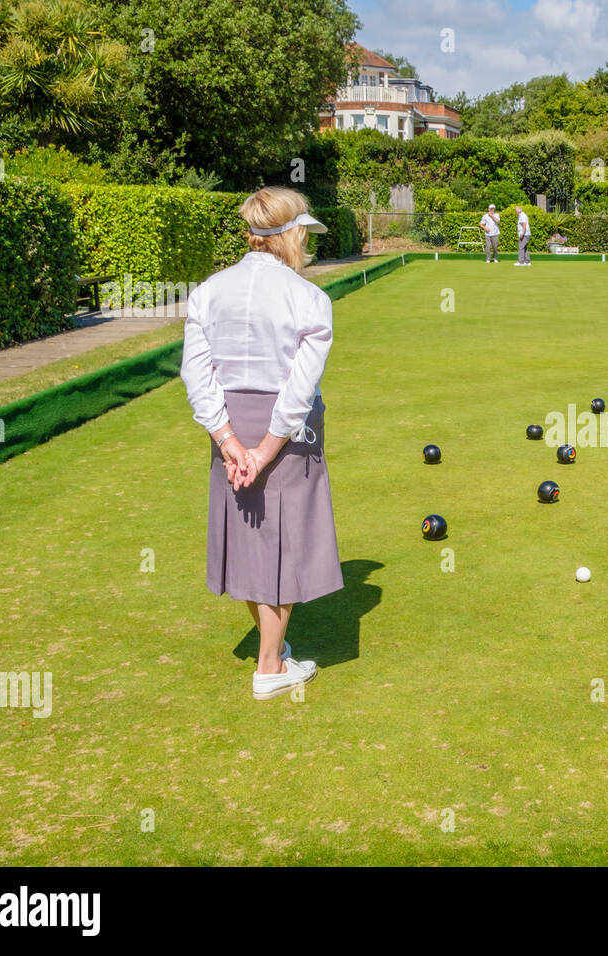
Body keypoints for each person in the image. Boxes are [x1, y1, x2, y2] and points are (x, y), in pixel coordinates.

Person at [180, 186, 344, 701]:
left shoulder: (209, 289)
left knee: (255, 540)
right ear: (292, 234)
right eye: (304, 234)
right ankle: (270, 667)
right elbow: (299, 386)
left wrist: (227, 439)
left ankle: (273, 650)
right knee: (284, 543)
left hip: (230, 424)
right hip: (284, 429)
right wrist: (266, 448)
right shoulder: (309, 297)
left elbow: (196, 374)